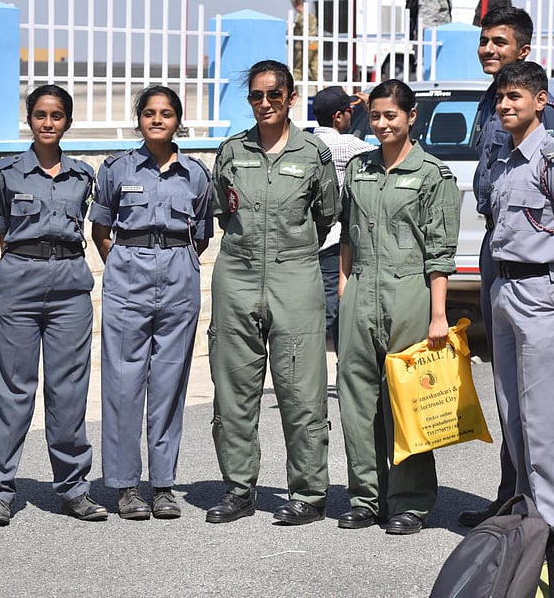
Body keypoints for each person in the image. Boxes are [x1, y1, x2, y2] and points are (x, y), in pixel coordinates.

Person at [458, 5, 554, 529]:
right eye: (484, 41)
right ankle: (514, 498)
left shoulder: (543, 116)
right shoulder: (490, 105)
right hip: (496, 251)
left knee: (543, 404)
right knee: (509, 395)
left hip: (536, 262)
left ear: (524, 51)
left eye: (500, 42)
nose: (489, 49)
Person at [205, 60, 340, 525]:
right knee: (234, 391)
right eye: (257, 96)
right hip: (237, 276)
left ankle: (308, 494)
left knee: (301, 391)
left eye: (274, 96)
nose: (265, 104)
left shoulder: (313, 153)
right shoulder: (231, 151)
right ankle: (239, 490)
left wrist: (289, 250)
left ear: (291, 98)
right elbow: (223, 210)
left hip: (295, 276)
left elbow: (326, 215)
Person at [336, 79, 460, 535]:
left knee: (408, 401)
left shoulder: (433, 174)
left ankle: (409, 500)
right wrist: (345, 287)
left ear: (411, 118)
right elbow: (348, 234)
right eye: (377, 115)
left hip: (410, 292)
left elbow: (440, 252)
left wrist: (438, 314)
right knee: (356, 398)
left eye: (392, 115)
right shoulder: (359, 168)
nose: (383, 123)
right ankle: (367, 497)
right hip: (361, 290)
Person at [0, 84, 107, 526]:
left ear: (67, 122)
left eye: (56, 116)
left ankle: (73, 488)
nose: (47, 123)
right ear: (29, 119)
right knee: (13, 389)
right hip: (20, 278)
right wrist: (22, 270)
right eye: (40, 115)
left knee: (68, 389)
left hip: (70, 282)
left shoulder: (84, 176)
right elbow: (3, 232)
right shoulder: (6, 172)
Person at [487, 60, 554, 562]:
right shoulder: (509, 161)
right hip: (506, 290)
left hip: (544, 291)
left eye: (515, 97)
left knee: (545, 417)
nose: (505, 105)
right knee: (514, 414)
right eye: (501, 98)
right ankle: (531, 516)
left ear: (540, 101)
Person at [90, 86, 213, 520]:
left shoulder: (196, 174)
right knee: (123, 383)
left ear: (178, 120)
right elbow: (101, 228)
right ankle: (125, 486)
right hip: (128, 272)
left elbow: (201, 234)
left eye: (166, 113)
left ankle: (162, 485)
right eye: (148, 113)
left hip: (179, 272)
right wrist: (127, 264)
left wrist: (172, 263)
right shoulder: (116, 168)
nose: (157, 119)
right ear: (138, 119)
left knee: (169, 382)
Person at [312, 86, 376, 351]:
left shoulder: (307, 142)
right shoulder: (347, 145)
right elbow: (388, 148)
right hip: (336, 239)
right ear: (339, 116)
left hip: (309, 238)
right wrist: (372, 109)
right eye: (349, 111)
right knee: (334, 308)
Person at [292, 0, 318, 82]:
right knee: (315, 70)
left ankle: (291, 88)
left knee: (298, 70)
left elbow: (304, 32)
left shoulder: (301, 17)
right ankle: (324, 90)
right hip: (314, 44)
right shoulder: (312, 16)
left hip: (304, 46)